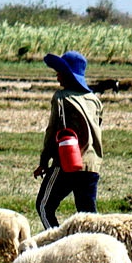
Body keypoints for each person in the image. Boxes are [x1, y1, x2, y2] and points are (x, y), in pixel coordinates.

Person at [35, 50, 103, 227]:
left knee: (44, 206)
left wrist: (44, 161)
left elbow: (54, 131)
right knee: (88, 216)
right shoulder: (94, 100)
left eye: (60, 72)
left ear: (68, 75)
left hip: (68, 162)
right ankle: (97, 247)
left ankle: (57, 244)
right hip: (92, 165)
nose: (57, 77)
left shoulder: (61, 98)